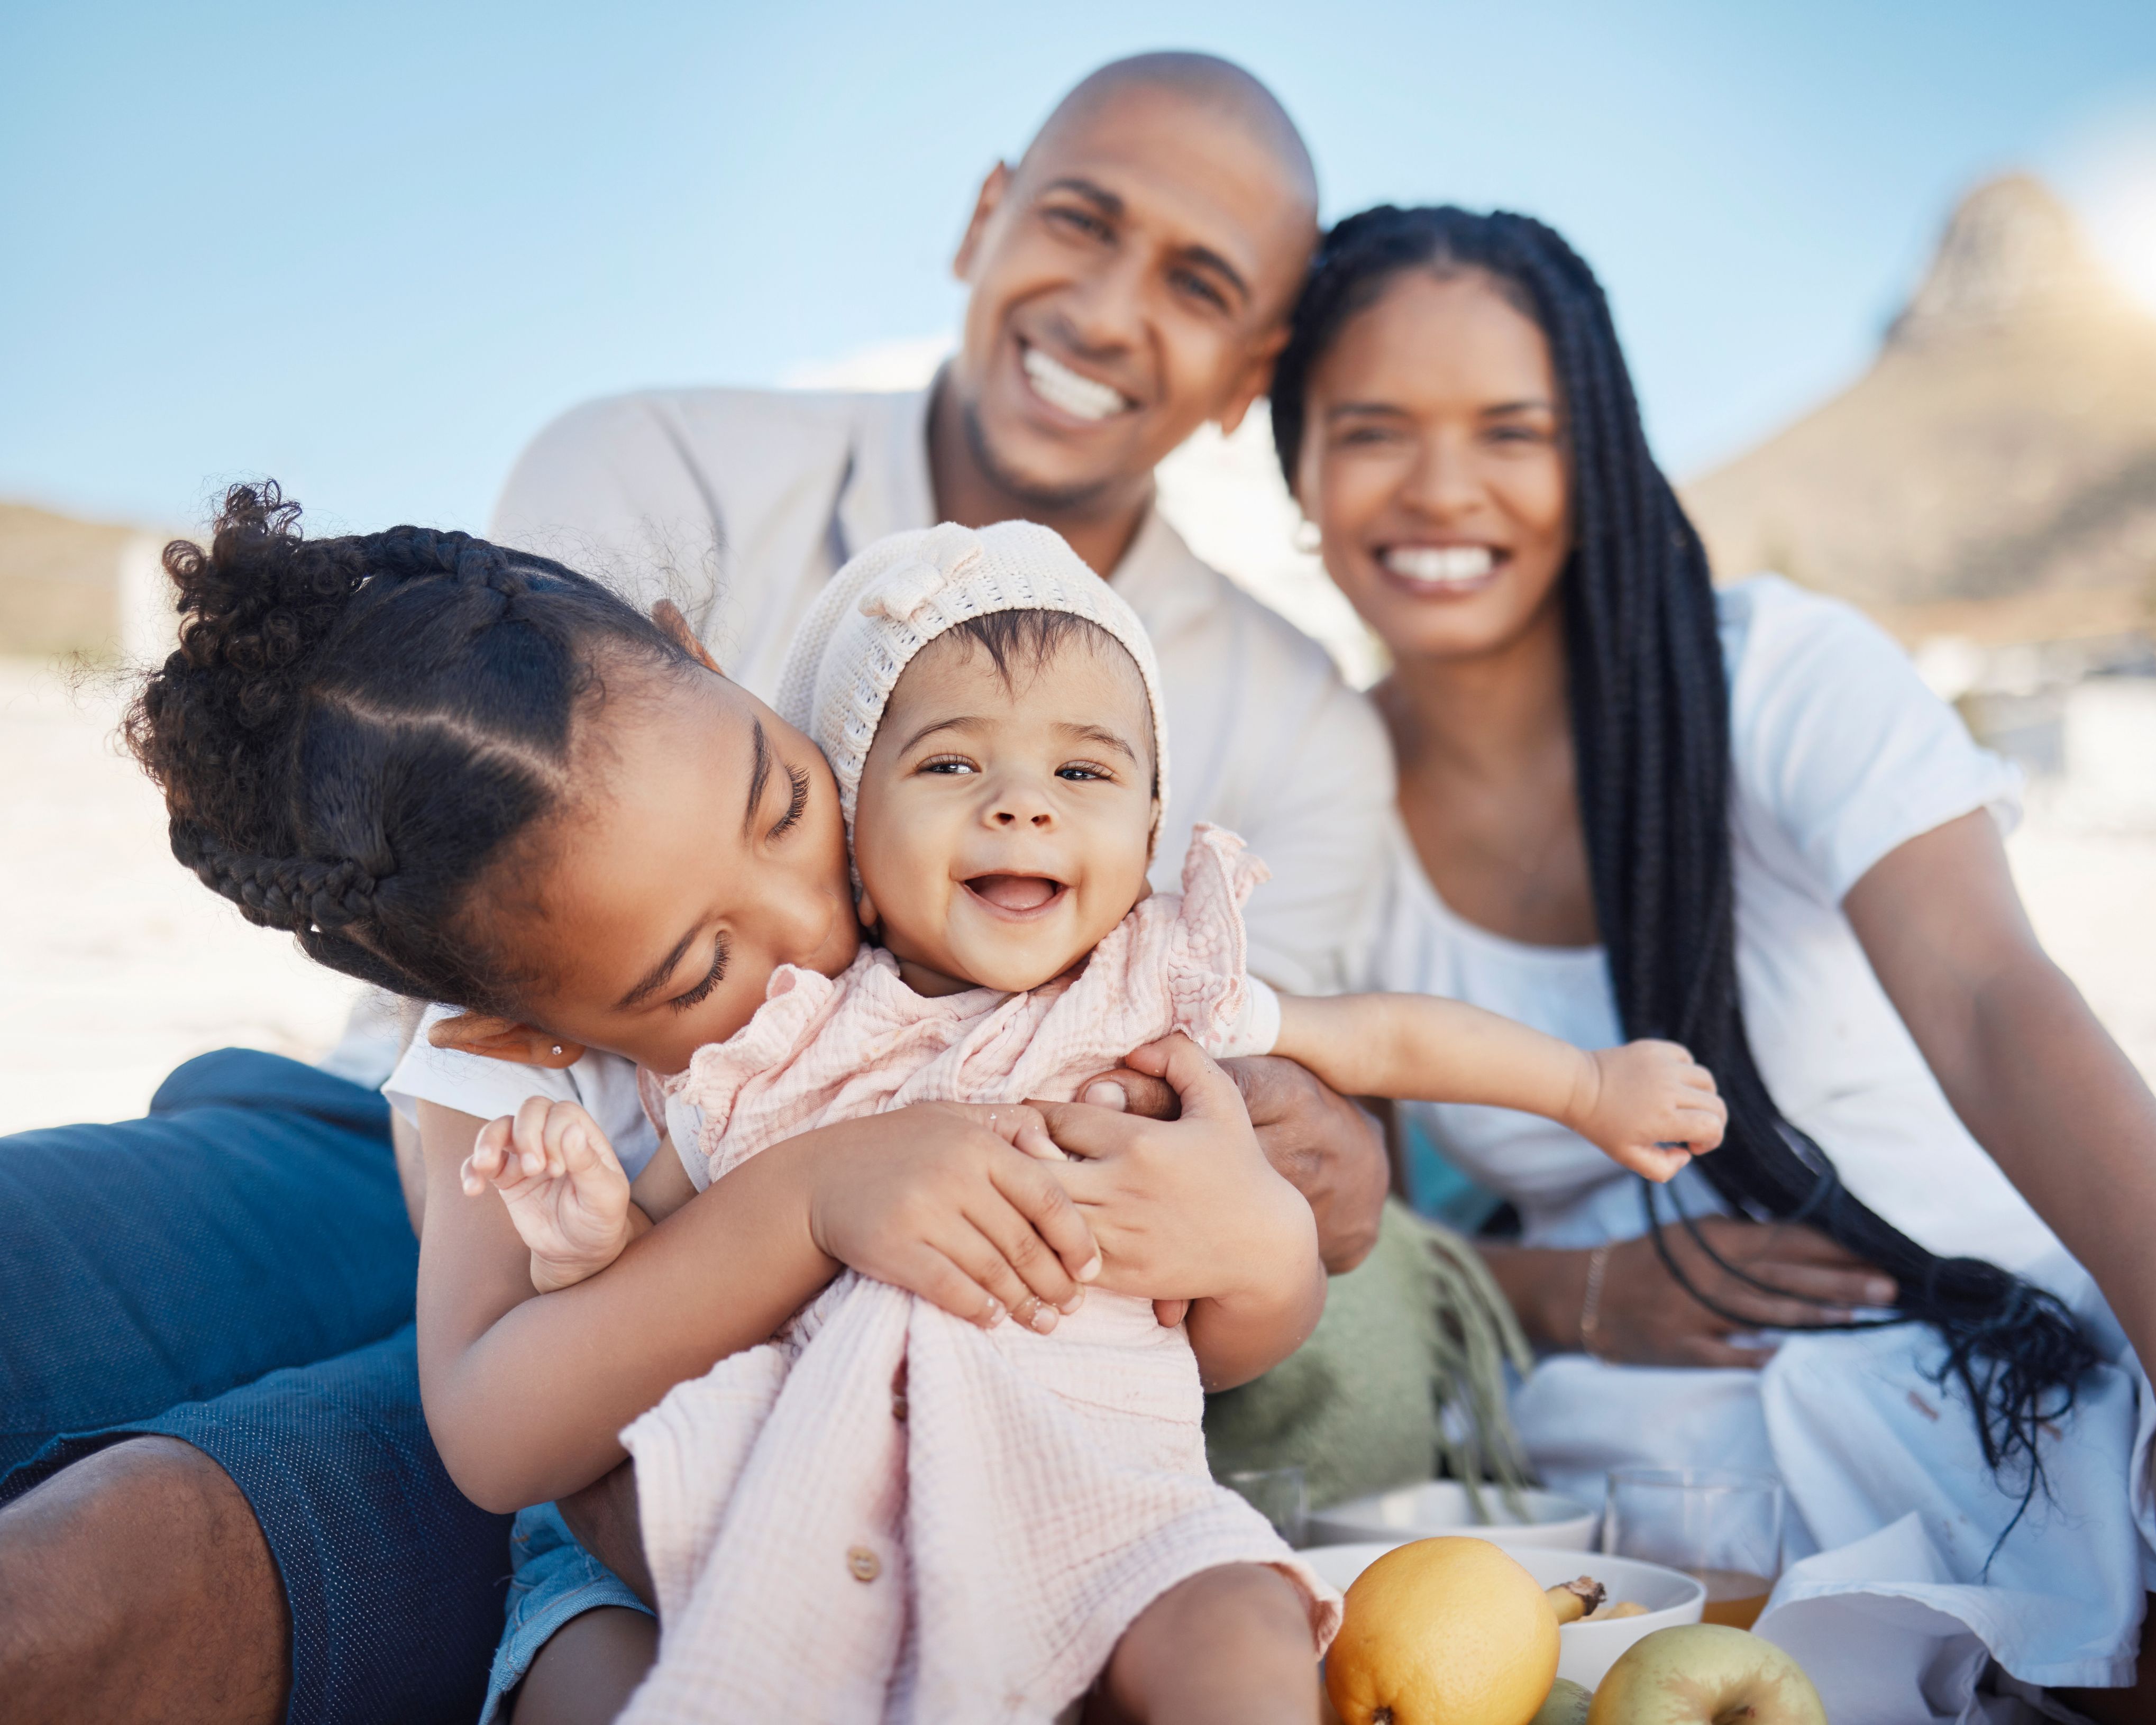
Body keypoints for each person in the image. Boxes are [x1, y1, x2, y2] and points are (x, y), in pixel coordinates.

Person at [0, 52, 1393, 1725]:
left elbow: (1225, 1104)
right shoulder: (661, 469)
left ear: (1252, 371)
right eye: (1081, 220)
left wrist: (1277, 1151)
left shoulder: (1290, 710)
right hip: (423, 1149)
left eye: (1197, 282)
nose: (1104, 308)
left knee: (118, 1570)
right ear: (982, 216)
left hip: (800, 1324)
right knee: (46, 1251)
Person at [1265, 203, 2156, 1725]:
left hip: (2050, 1289)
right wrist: (1575, 1284)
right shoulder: (1314, 805)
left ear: (1593, 454)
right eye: (1374, 429)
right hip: (1715, 1433)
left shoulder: (1769, 668)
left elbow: (1993, 998)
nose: (1442, 485)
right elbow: (1364, 1248)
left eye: (1510, 430)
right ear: (1297, 468)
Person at [414, 519, 1718, 1718]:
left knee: (1244, 1623)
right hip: (832, 1488)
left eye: (1083, 769)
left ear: (1152, 827)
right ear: (858, 824)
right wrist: (582, 1235)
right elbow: (656, 1263)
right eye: (951, 762)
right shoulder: (793, 1035)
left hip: (1109, 1488)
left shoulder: (1153, 986)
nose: (1021, 802)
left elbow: (1383, 1033)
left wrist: (1587, 1086)